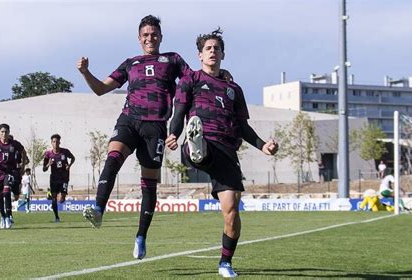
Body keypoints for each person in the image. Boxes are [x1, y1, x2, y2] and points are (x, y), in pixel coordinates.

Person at [77, 15, 232, 260]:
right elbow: (100, 89)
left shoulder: (172, 60)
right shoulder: (130, 63)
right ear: (139, 39)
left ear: (160, 36)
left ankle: (141, 236)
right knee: (113, 156)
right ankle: (98, 209)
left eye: (154, 34)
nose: (150, 38)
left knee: (148, 184)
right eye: (146, 35)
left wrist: (220, 75)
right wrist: (86, 72)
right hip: (129, 119)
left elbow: (194, 81)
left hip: (156, 127)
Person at [165, 28, 278, 278]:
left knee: (232, 210)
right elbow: (179, 111)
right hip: (204, 142)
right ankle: (196, 146)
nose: (213, 51)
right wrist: (174, 133)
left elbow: (243, 127)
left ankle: (225, 263)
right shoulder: (190, 80)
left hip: (227, 150)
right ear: (200, 55)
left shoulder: (234, 90)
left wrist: (263, 146)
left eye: (217, 48)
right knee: (200, 144)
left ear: (223, 54)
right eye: (208, 48)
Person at [0, 123, 27, 229]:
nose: (4, 134)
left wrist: (22, 168)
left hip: (10, 172)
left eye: (6, 132)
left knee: (7, 191)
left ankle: (8, 217)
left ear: (9, 132)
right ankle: (2, 216)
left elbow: (24, 152)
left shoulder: (14, 144)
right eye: (2, 132)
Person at [43, 134, 75, 223]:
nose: (55, 143)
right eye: (54, 142)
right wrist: (48, 165)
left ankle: (62, 197)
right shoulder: (48, 154)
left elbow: (73, 158)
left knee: (61, 200)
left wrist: (69, 165)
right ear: (51, 143)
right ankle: (57, 217)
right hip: (54, 179)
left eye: (57, 142)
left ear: (59, 142)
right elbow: (44, 169)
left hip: (64, 178)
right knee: (54, 198)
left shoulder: (65, 152)